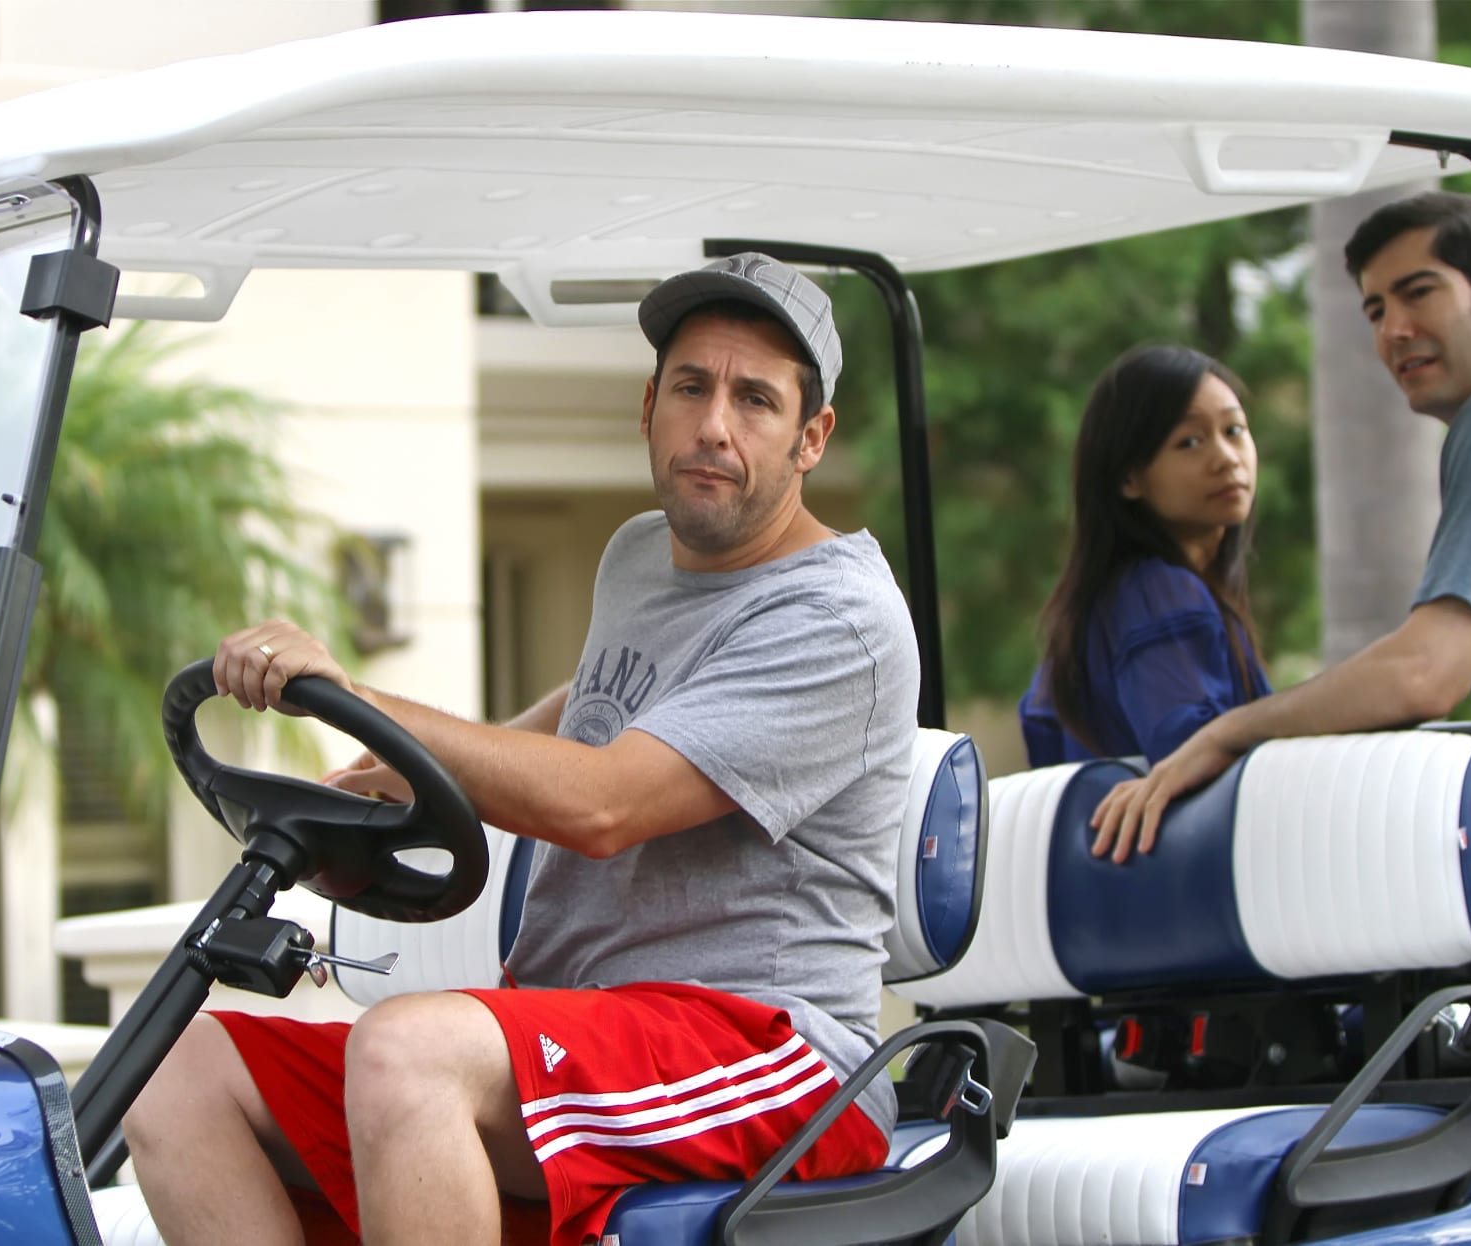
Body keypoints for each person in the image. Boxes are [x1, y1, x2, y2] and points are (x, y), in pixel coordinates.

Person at [123, 252, 922, 1246]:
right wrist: (423, 768)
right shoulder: (640, 553)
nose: (713, 424)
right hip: (584, 1021)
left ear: (811, 438)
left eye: (755, 399)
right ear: (648, 407)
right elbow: (597, 706)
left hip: (772, 1052)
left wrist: (365, 697)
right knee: (175, 1074)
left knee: (409, 1051)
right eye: (690, 386)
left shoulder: (838, 616)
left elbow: (606, 804)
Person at [1092, 191, 1471, 863]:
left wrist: (1228, 734)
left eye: (1419, 293)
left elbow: (1425, 673)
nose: (1393, 330)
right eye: (1375, 309)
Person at [1019, 343, 1269, 768]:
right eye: (1189, 442)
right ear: (1129, 477)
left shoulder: (1108, 600)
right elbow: (1193, 756)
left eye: (1234, 430)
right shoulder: (1161, 592)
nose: (1227, 460)